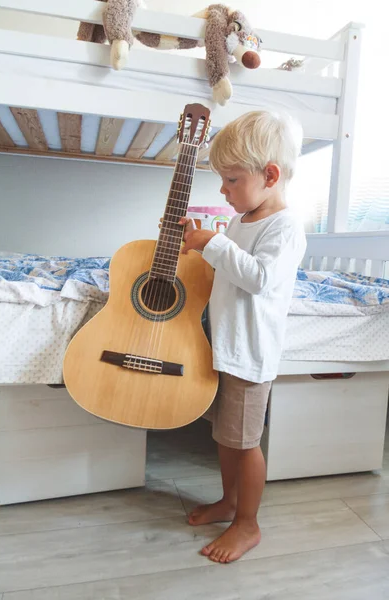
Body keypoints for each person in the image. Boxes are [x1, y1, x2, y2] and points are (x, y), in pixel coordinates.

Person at [179, 110, 307, 563]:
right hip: (224, 348)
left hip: (250, 355)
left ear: (269, 175)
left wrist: (213, 244)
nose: (223, 189)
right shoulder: (241, 220)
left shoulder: (284, 226)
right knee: (224, 436)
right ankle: (229, 503)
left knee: (245, 443)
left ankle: (248, 524)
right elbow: (227, 269)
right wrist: (199, 248)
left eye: (231, 179)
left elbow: (258, 278)